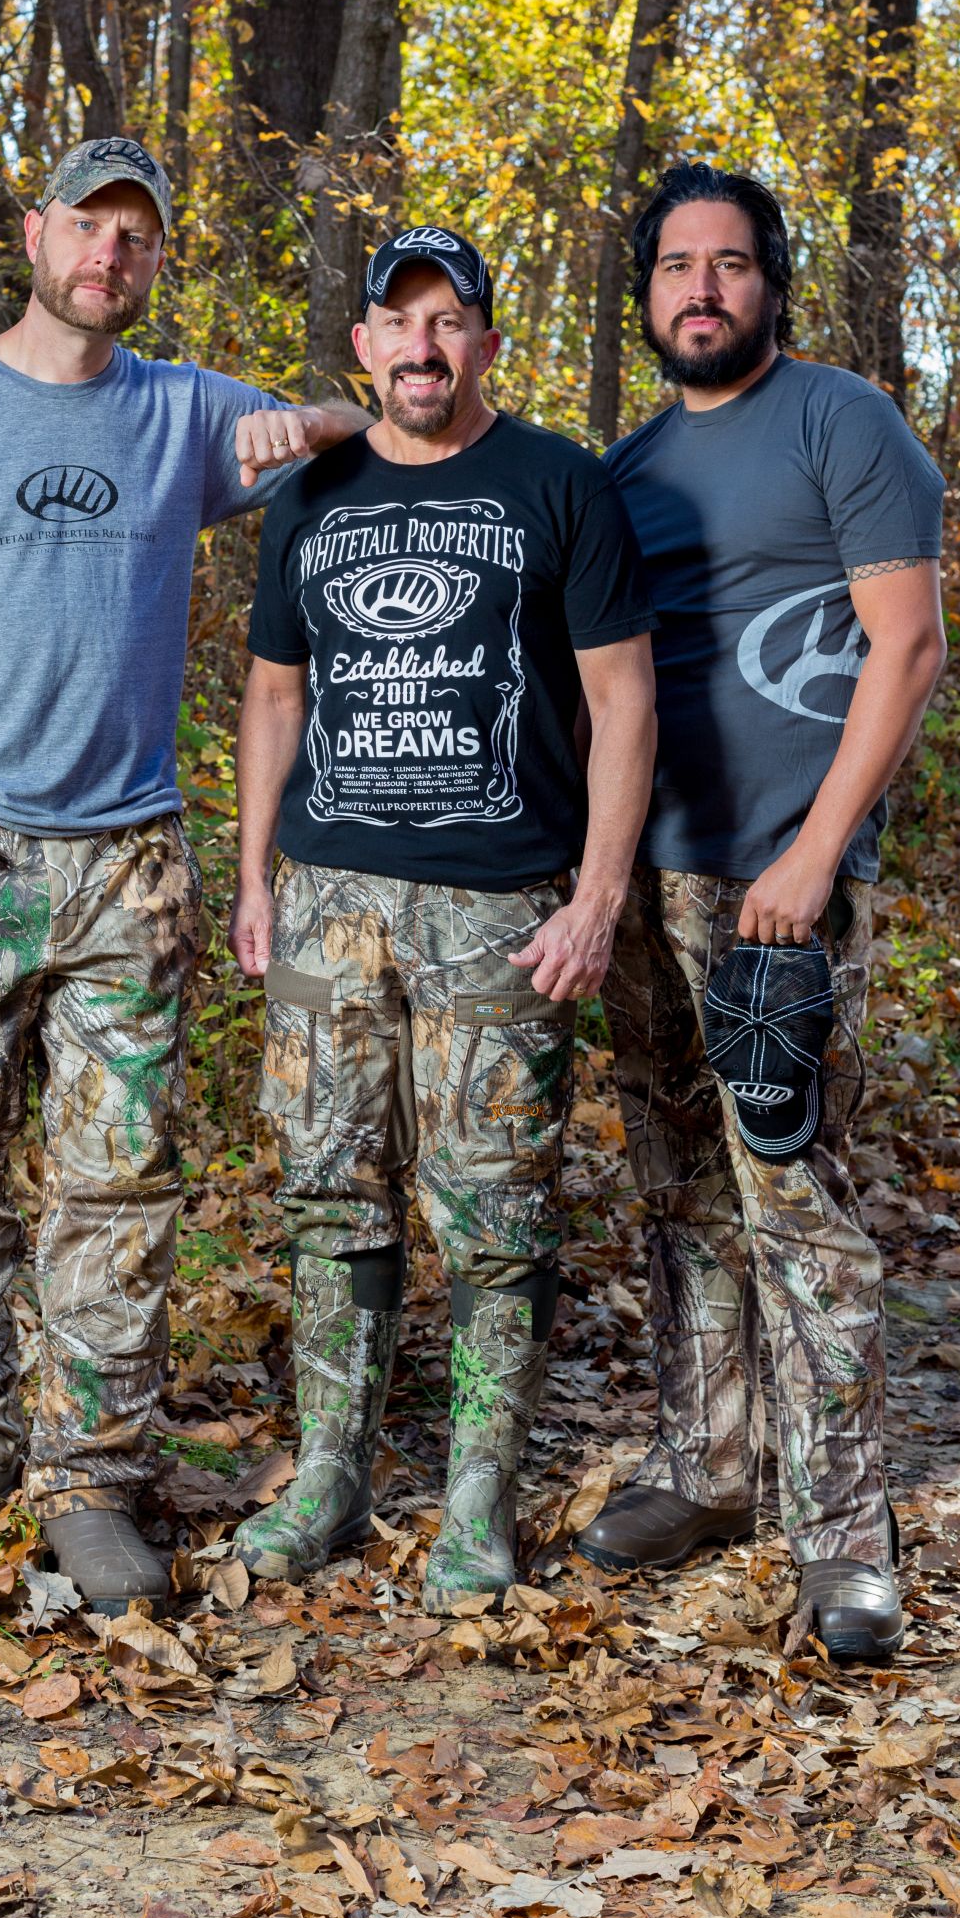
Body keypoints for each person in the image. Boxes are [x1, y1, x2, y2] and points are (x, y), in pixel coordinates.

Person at [0, 137, 368, 1617]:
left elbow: (347, 425)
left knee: (115, 1184)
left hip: (128, 866)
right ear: (38, 232)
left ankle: (95, 1474)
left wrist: (306, 416)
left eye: (138, 237)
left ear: (155, 262)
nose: (109, 253)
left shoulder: (180, 411)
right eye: (89, 225)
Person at [227, 226, 658, 1611]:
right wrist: (254, 880)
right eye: (397, 322)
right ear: (363, 343)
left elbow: (625, 698)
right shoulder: (313, 491)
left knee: (496, 1204)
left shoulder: (559, 484)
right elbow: (276, 697)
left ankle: (478, 1488)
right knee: (324, 1181)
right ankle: (330, 1470)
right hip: (325, 906)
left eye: (448, 320)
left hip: (502, 904)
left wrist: (597, 893)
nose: (422, 346)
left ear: (485, 339)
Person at [573, 160, 947, 1661]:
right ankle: (710, 1467)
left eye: (731, 264)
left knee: (793, 1188)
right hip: (646, 875)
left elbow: (905, 649)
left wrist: (814, 854)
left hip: (784, 884)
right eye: (676, 268)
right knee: (677, 1187)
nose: (703, 289)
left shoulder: (843, 424)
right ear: (648, 293)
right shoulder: (626, 467)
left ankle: (849, 1537)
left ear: (772, 283)